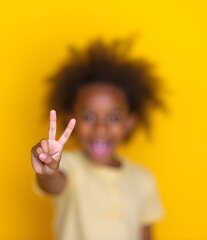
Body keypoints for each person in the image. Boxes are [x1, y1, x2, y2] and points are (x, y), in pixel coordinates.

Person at [31, 39, 164, 240]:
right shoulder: (68, 166)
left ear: (129, 122)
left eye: (113, 118)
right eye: (89, 117)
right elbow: (54, 183)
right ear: (71, 119)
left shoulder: (144, 180)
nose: (101, 128)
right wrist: (48, 172)